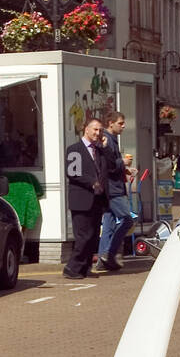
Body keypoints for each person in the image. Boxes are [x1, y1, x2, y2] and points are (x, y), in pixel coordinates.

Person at [64, 116, 109, 278]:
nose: (98, 133)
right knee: (83, 236)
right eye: (95, 129)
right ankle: (72, 268)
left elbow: (108, 166)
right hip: (81, 199)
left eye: (100, 130)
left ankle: (85, 267)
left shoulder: (99, 150)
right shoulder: (74, 149)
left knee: (93, 236)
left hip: (97, 199)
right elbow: (72, 172)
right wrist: (92, 182)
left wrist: (105, 148)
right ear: (86, 129)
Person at [95, 110, 134, 273]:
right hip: (114, 189)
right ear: (110, 123)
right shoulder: (108, 141)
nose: (123, 126)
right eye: (120, 123)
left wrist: (125, 169)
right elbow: (109, 166)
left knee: (109, 223)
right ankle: (109, 253)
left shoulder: (112, 140)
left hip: (110, 188)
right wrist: (123, 163)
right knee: (127, 220)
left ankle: (102, 259)